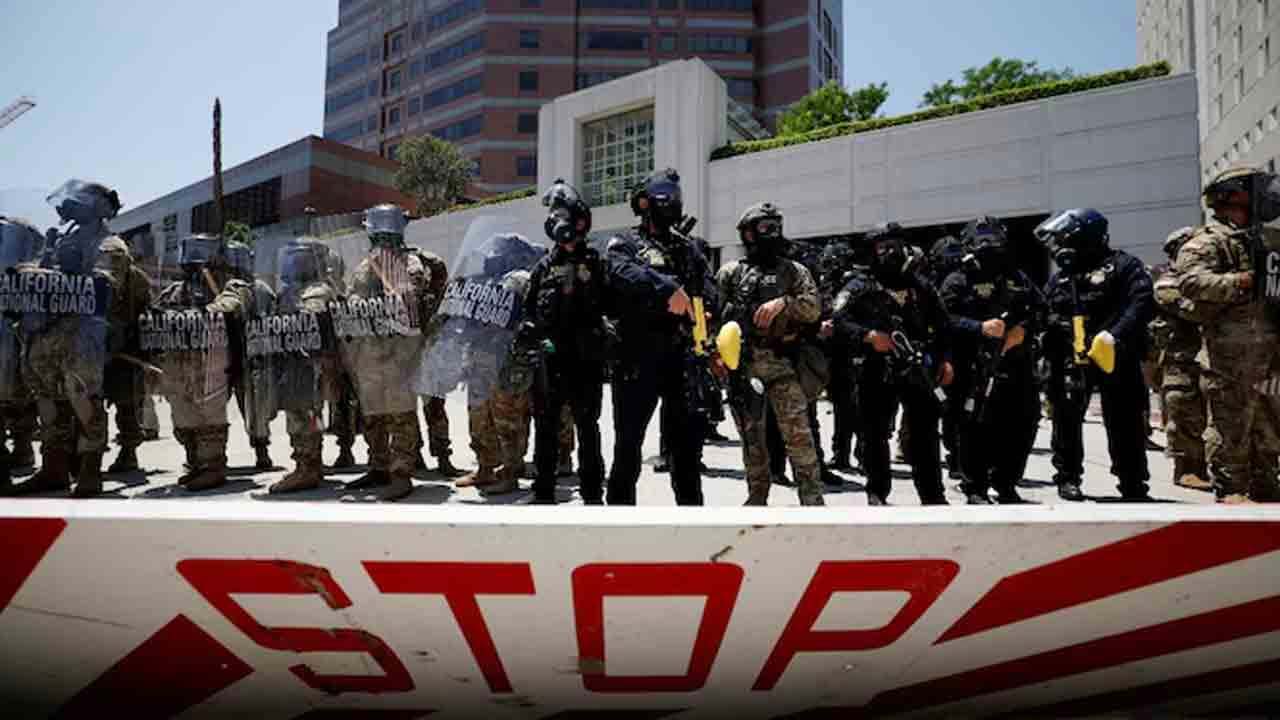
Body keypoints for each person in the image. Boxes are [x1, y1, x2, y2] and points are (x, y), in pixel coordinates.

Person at [606, 168, 717, 506]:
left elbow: (709, 288)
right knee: (628, 448)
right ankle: (620, 522)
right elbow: (619, 272)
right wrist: (667, 290)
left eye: (676, 199)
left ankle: (692, 522)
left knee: (686, 454)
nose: (673, 205)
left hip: (682, 359)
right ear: (644, 203)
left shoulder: (689, 248)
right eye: (665, 198)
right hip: (637, 358)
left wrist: (707, 310)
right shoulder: (624, 243)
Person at [7, 181, 121, 497]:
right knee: (47, 401)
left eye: (79, 201)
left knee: (84, 399)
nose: (69, 207)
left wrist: (53, 278)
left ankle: (89, 467)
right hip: (44, 335)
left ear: (99, 207)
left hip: (81, 336)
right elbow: (38, 275)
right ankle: (54, 467)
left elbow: (104, 285)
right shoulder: (61, 239)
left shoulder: (108, 243)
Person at [1175, 166, 1280, 503]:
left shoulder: (1268, 238)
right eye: (1257, 188)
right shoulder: (1209, 240)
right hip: (1229, 357)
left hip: (1270, 356)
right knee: (1231, 424)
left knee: (1269, 426)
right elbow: (1190, 282)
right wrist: (1240, 282)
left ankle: (1267, 486)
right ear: (1232, 194)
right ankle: (1231, 489)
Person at [832, 222, 954, 505]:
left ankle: (933, 496)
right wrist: (868, 335)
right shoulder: (859, 285)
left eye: (895, 246)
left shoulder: (920, 285)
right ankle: (877, 492)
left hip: (919, 369)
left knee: (925, 435)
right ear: (873, 251)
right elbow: (838, 320)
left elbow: (944, 325)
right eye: (882, 247)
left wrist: (946, 360)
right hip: (876, 369)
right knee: (874, 435)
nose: (890, 252)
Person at [1037, 208, 1155, 502]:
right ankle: (1067, 478)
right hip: (1072, 358)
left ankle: (1132, 483)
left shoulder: (1124, 266)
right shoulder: (1063, 276)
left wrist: (1114, 334)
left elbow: (1141, 303)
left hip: (1116, 354)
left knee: (1125, 421)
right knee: (1066, 420)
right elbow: (1045, 311)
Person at [718, 202, 825, 506]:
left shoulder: (793, 271)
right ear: (748, 234)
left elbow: (813, 308)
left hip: (784, 366)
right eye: (764, 228)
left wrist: (784, 303)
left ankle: (812, 500)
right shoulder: (731, 273)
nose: (772, 234)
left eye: (775, 227)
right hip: (745, 367)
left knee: (799, 438)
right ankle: (757, 498)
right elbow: (714, 321)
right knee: (753, 441)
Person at [940, 217, 1043, 504]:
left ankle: (1007, 483)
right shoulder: (958, 279)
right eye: (981, 238)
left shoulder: (1017, 277)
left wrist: (1024, 330)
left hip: (1016, 364)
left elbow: (1043, 309)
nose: (988, 244)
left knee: (1022, 423)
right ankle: (975, 487)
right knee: (975, 428)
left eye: (993, 238)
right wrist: (978, 328)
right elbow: (942, 319)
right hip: (975, 366)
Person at [339, 204, 439, 501]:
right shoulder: (364, 267)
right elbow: (353, 299)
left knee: (400, 414)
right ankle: (379, 466)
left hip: (400, 351)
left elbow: (409, 298)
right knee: (373, 415)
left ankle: (401, 472)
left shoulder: (409, 263)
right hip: (370, 352)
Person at [524, 179, 610, 505]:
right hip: (550, 360)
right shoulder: (544, 266)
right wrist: (531, 331)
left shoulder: (597, 262)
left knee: (588, 428)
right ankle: (543, 491)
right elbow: (529, 309)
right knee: (545, 428)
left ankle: (592, 495)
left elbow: (613, 305)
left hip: (586, 360)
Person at [149, 233, 235, 492]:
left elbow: (230, 306)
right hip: (176, 362)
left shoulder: (225, 288)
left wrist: (209, 308)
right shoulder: (173, 291)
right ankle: (195, 463)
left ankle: (213, 467)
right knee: (183, 414)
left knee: (210, 415)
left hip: (210, 361)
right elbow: (156, 315)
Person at [258, 239, 340, 495]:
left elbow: (308, 314)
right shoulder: (288, 292)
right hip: (292, 363)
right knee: (299, 413)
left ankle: (307, 468)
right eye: (291, 258)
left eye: (299, 258)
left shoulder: (318, 290)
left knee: (305, 415)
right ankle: (309, 464)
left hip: (310, 365)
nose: (293, 263)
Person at [1152, 227, 1211, 492]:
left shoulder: (1203, 278)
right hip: (1180, 359)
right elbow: (1193, 311)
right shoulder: (1167, 281)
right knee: (1183, 410)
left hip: (1212, 356)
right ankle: (1186, 469)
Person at [99, 236, 153, 475]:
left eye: (118, 257)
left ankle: (128, 453)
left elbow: (146, 314)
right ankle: (90, 454)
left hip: (128, 353)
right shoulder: (97, 277)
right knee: (91, 405)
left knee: (128, 405)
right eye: (110, 257)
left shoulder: (138, 279)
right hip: (98, 351)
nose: (114, 262)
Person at [222, 240, 276, 471]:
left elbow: (273, 321)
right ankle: (211, 458)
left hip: (250, 359)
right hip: (223, 359)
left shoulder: (261, 290)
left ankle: (262, 452)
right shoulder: (217, 289)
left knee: (255, 410)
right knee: (212, 411)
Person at [0, 216, 43, 489]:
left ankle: (20, 447)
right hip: (16, 323)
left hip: (16, 321)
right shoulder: (24, 228)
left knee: (20, 385)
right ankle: (19, 448)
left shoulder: (19, 229)